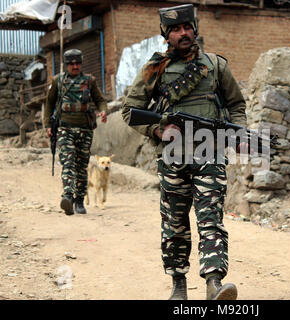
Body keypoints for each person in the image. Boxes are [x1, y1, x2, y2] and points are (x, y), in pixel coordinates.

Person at [121, 4, 247, 300]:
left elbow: (236, 105)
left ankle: (214, 283)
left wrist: (239, 132)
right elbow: (129, 110)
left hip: (210, 154)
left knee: (211, 221)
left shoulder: (216, 65)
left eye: (187, 27)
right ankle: (178, 284)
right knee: (174, 224)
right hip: (173, 158)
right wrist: (157, 130)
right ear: (167, 35)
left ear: (195, 29)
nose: (183, 33)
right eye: (176, 29)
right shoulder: (156, 69)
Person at [44, 49, 108, 215]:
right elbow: (49, 103)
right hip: (65, 128)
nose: (75, 66)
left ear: (81, 63)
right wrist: (48, 125)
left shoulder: (89, 81)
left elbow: (100, 100)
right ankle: (68, 196)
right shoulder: (58, 81)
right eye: (71, 64)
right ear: (66, 65)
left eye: (78, 63)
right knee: (68, 162)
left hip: (85, 130)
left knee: (81, 166)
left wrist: (103, 111)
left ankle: (79, 200)